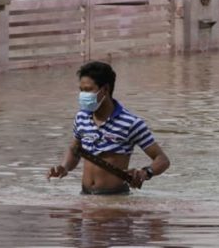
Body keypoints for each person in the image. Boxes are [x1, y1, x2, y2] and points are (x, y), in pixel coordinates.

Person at [47, 61, 170, 194]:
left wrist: (145, 172)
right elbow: (75, 150)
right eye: (81, 90)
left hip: (114, 198)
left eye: (88, 90)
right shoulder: (81, 117)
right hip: (85, 196)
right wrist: (64, 167)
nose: (83, 95)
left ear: (105, 89)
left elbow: (162, 159)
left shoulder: (131, 122)